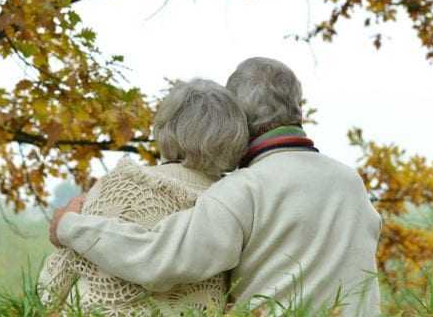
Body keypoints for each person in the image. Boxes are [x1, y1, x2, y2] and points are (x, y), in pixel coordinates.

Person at [50, 57, 382, 316]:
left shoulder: (246, 188)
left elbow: (161, 259)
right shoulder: (349, 180)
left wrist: (70, 226)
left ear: (239, 119)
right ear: (297, 106)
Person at [39, 79, 250, 315]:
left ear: (164, 128)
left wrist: (64, 227)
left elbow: (55, 283)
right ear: (235, 137)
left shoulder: (124, 184)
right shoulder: (235, 202)